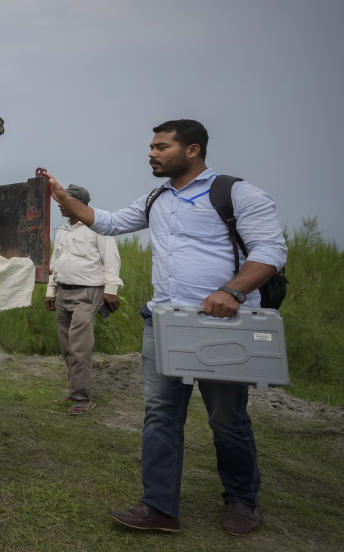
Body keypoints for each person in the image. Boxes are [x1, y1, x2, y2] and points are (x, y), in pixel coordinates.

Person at [44, 119, 287, 535]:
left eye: (160, 147)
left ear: (192, 150)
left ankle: (243, 501)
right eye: (151, 147)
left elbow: (270, 250)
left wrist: (232, 290)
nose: (151, 153)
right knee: (160, 415)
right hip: (164, 322)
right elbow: (108, 221)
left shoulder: (235, 193)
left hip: (220, 325)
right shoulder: (157, 197)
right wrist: (61, 195)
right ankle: (159, 508)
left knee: (227, 418)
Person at [44, 184, 123, 415]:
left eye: (64, 202)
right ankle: (75, 391)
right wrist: (51, 291)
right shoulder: (63, 230)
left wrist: (111, 290)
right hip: (63, 292)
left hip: (87, 293)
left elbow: (111, 260)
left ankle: (82, 400)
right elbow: (54, 262)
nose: (59, 206)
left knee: (79, 347)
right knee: (67, 347)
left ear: (76, 203)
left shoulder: (97, 227)